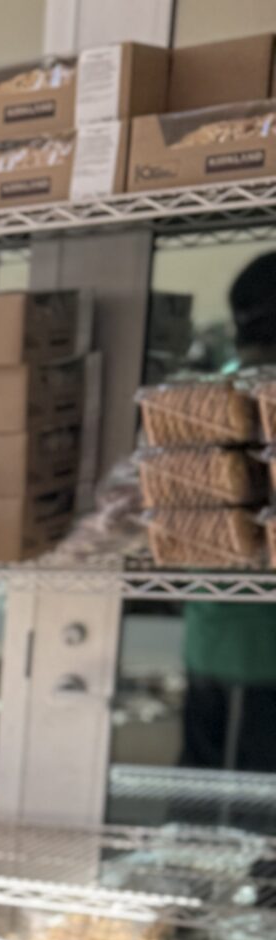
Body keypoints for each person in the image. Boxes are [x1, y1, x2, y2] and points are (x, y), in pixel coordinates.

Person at [180, 249, 276, 772]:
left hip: (220, 642)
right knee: (247, 818)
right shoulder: (253, 403)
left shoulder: (206, 403)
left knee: (212, 820)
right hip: (251, 650)